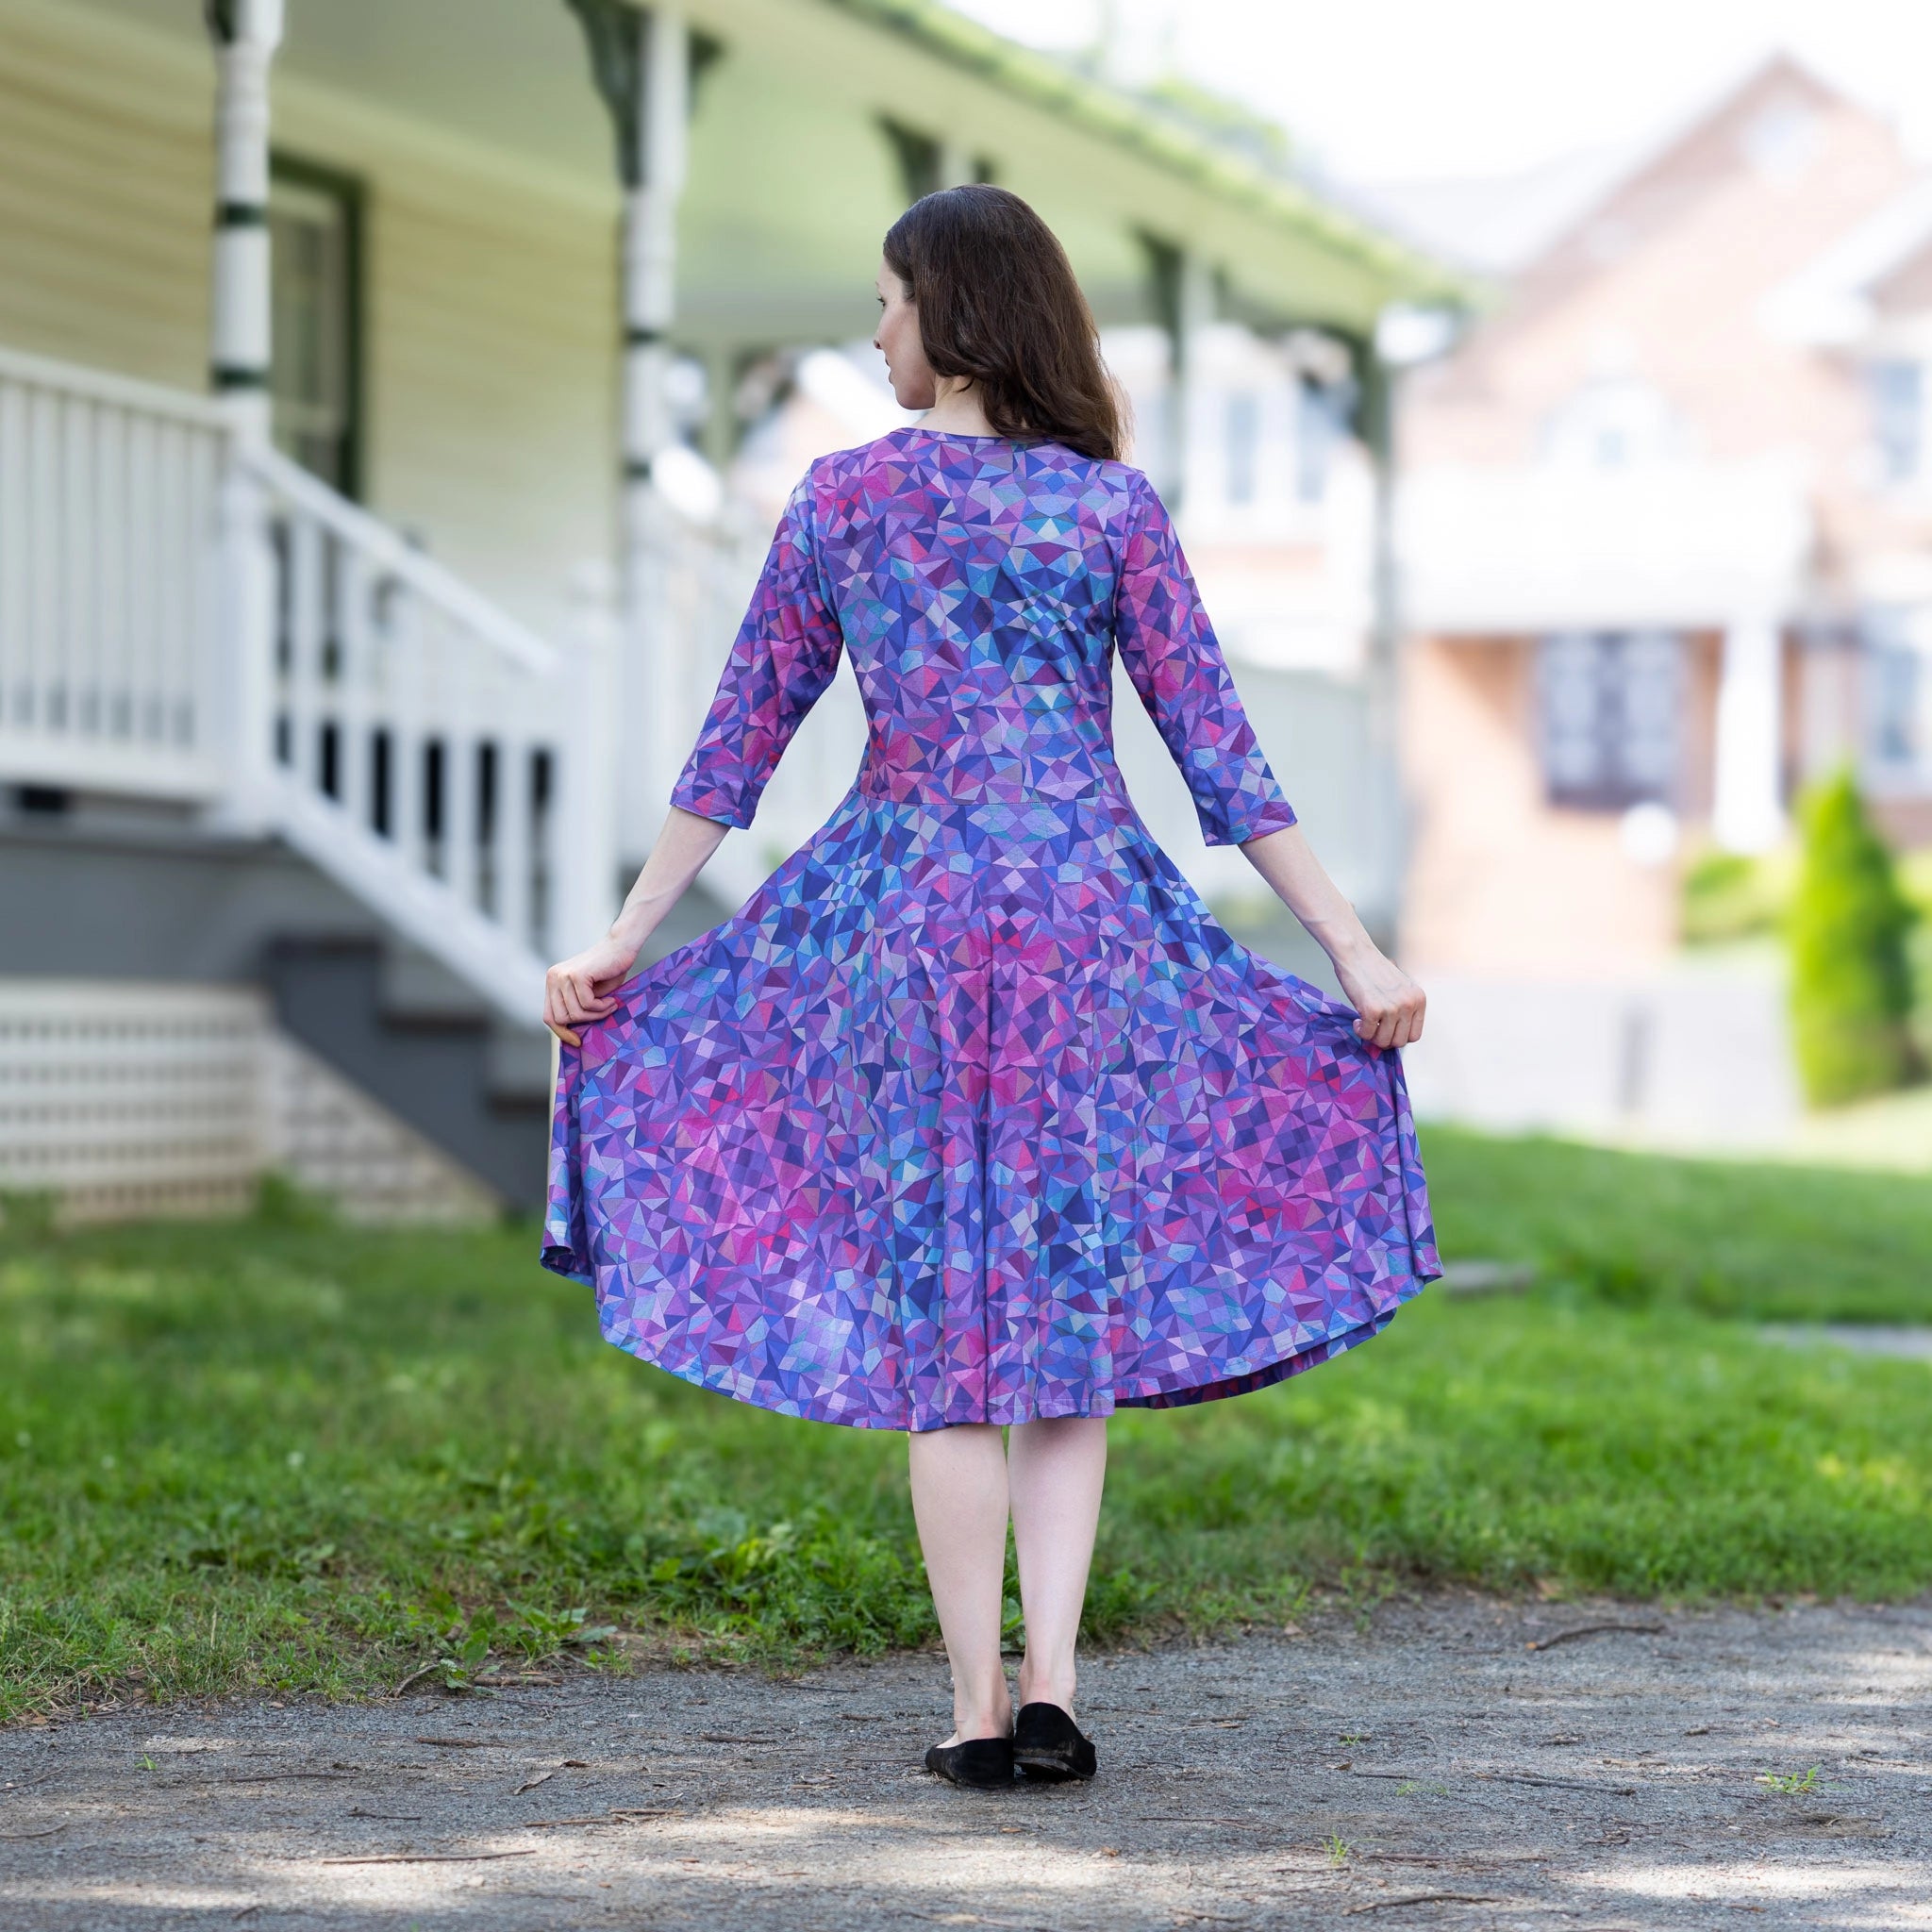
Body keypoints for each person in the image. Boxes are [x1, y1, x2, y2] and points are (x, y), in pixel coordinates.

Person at [541, 184, 1440, 1790]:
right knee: (1060, 1319)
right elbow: (1217, 752)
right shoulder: (1110, 510)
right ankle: (1054, 1687)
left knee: (939, 1331)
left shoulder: (841, 503)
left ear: (949, 312)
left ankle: (968, 1707)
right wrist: (1350, 950)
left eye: (889, 301)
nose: (874, 329)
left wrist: (631, 931)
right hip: (1082, 923)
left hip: (904, 927)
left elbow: (742, 734)